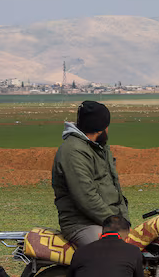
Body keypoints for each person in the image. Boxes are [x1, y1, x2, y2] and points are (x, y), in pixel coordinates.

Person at [52, 100, 129, 247]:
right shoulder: (74, 151)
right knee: (112, 254)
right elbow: (85, 196)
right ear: (100, 129)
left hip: (105, 220)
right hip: (82, 223)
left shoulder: (98, 147)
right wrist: (115, 223)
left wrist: (122, 219)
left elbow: (112, 185)